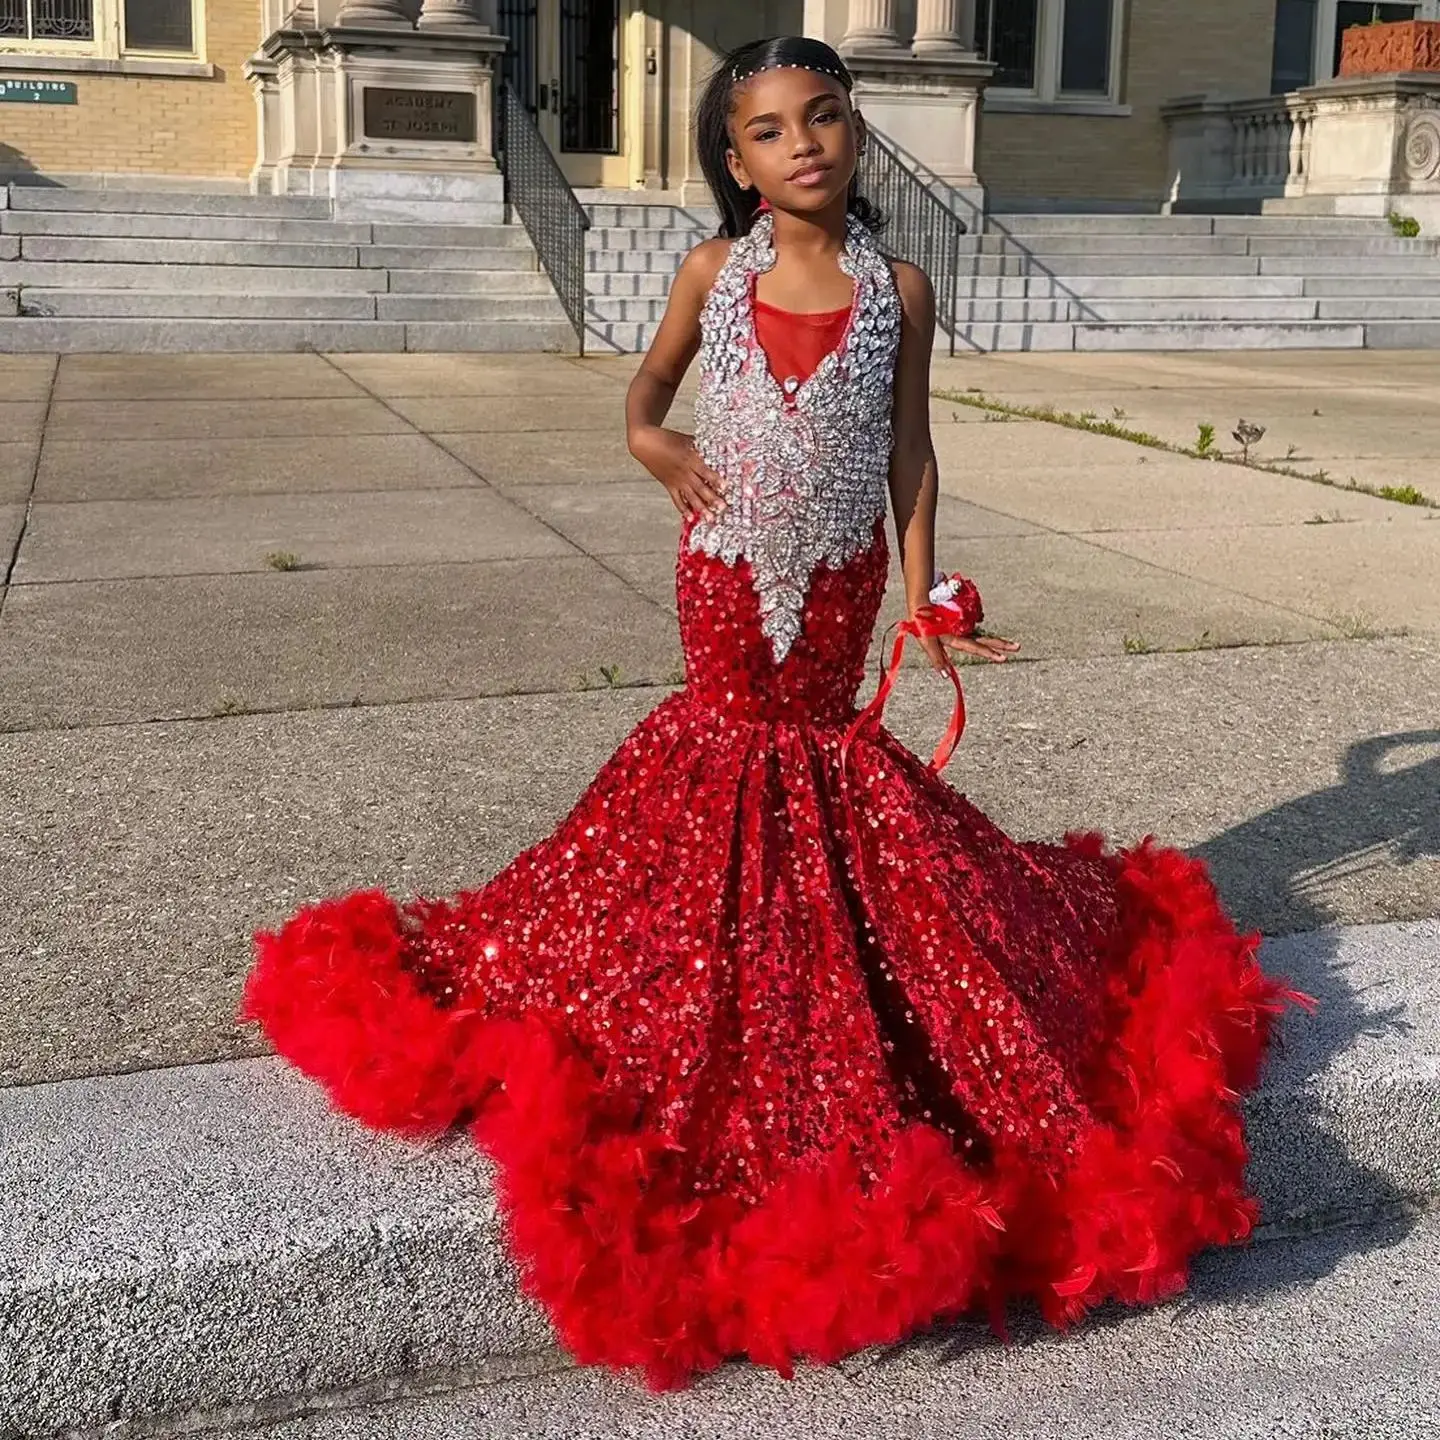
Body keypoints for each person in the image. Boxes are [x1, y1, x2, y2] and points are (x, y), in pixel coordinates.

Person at [241, 34, 1308, 1391]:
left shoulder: (900, 288)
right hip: (726, 566)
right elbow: (646, 393)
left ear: (854, 133)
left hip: (847, 575)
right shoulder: (713, 271)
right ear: (737, 160)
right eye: (768, 129)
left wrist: (927, 594)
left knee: (824, 770)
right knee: (724, 766)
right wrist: (655, 445)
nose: (802, 143)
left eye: (824, 116)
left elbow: (912, 449)